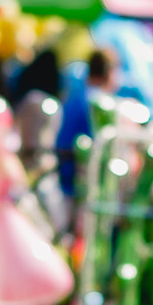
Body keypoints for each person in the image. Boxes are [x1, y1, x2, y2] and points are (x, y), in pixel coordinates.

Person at [55, 46, 117, 196]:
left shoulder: (74, 97)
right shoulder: (100, 104)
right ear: (109, 72)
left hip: (61, 173)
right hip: (77, 181)